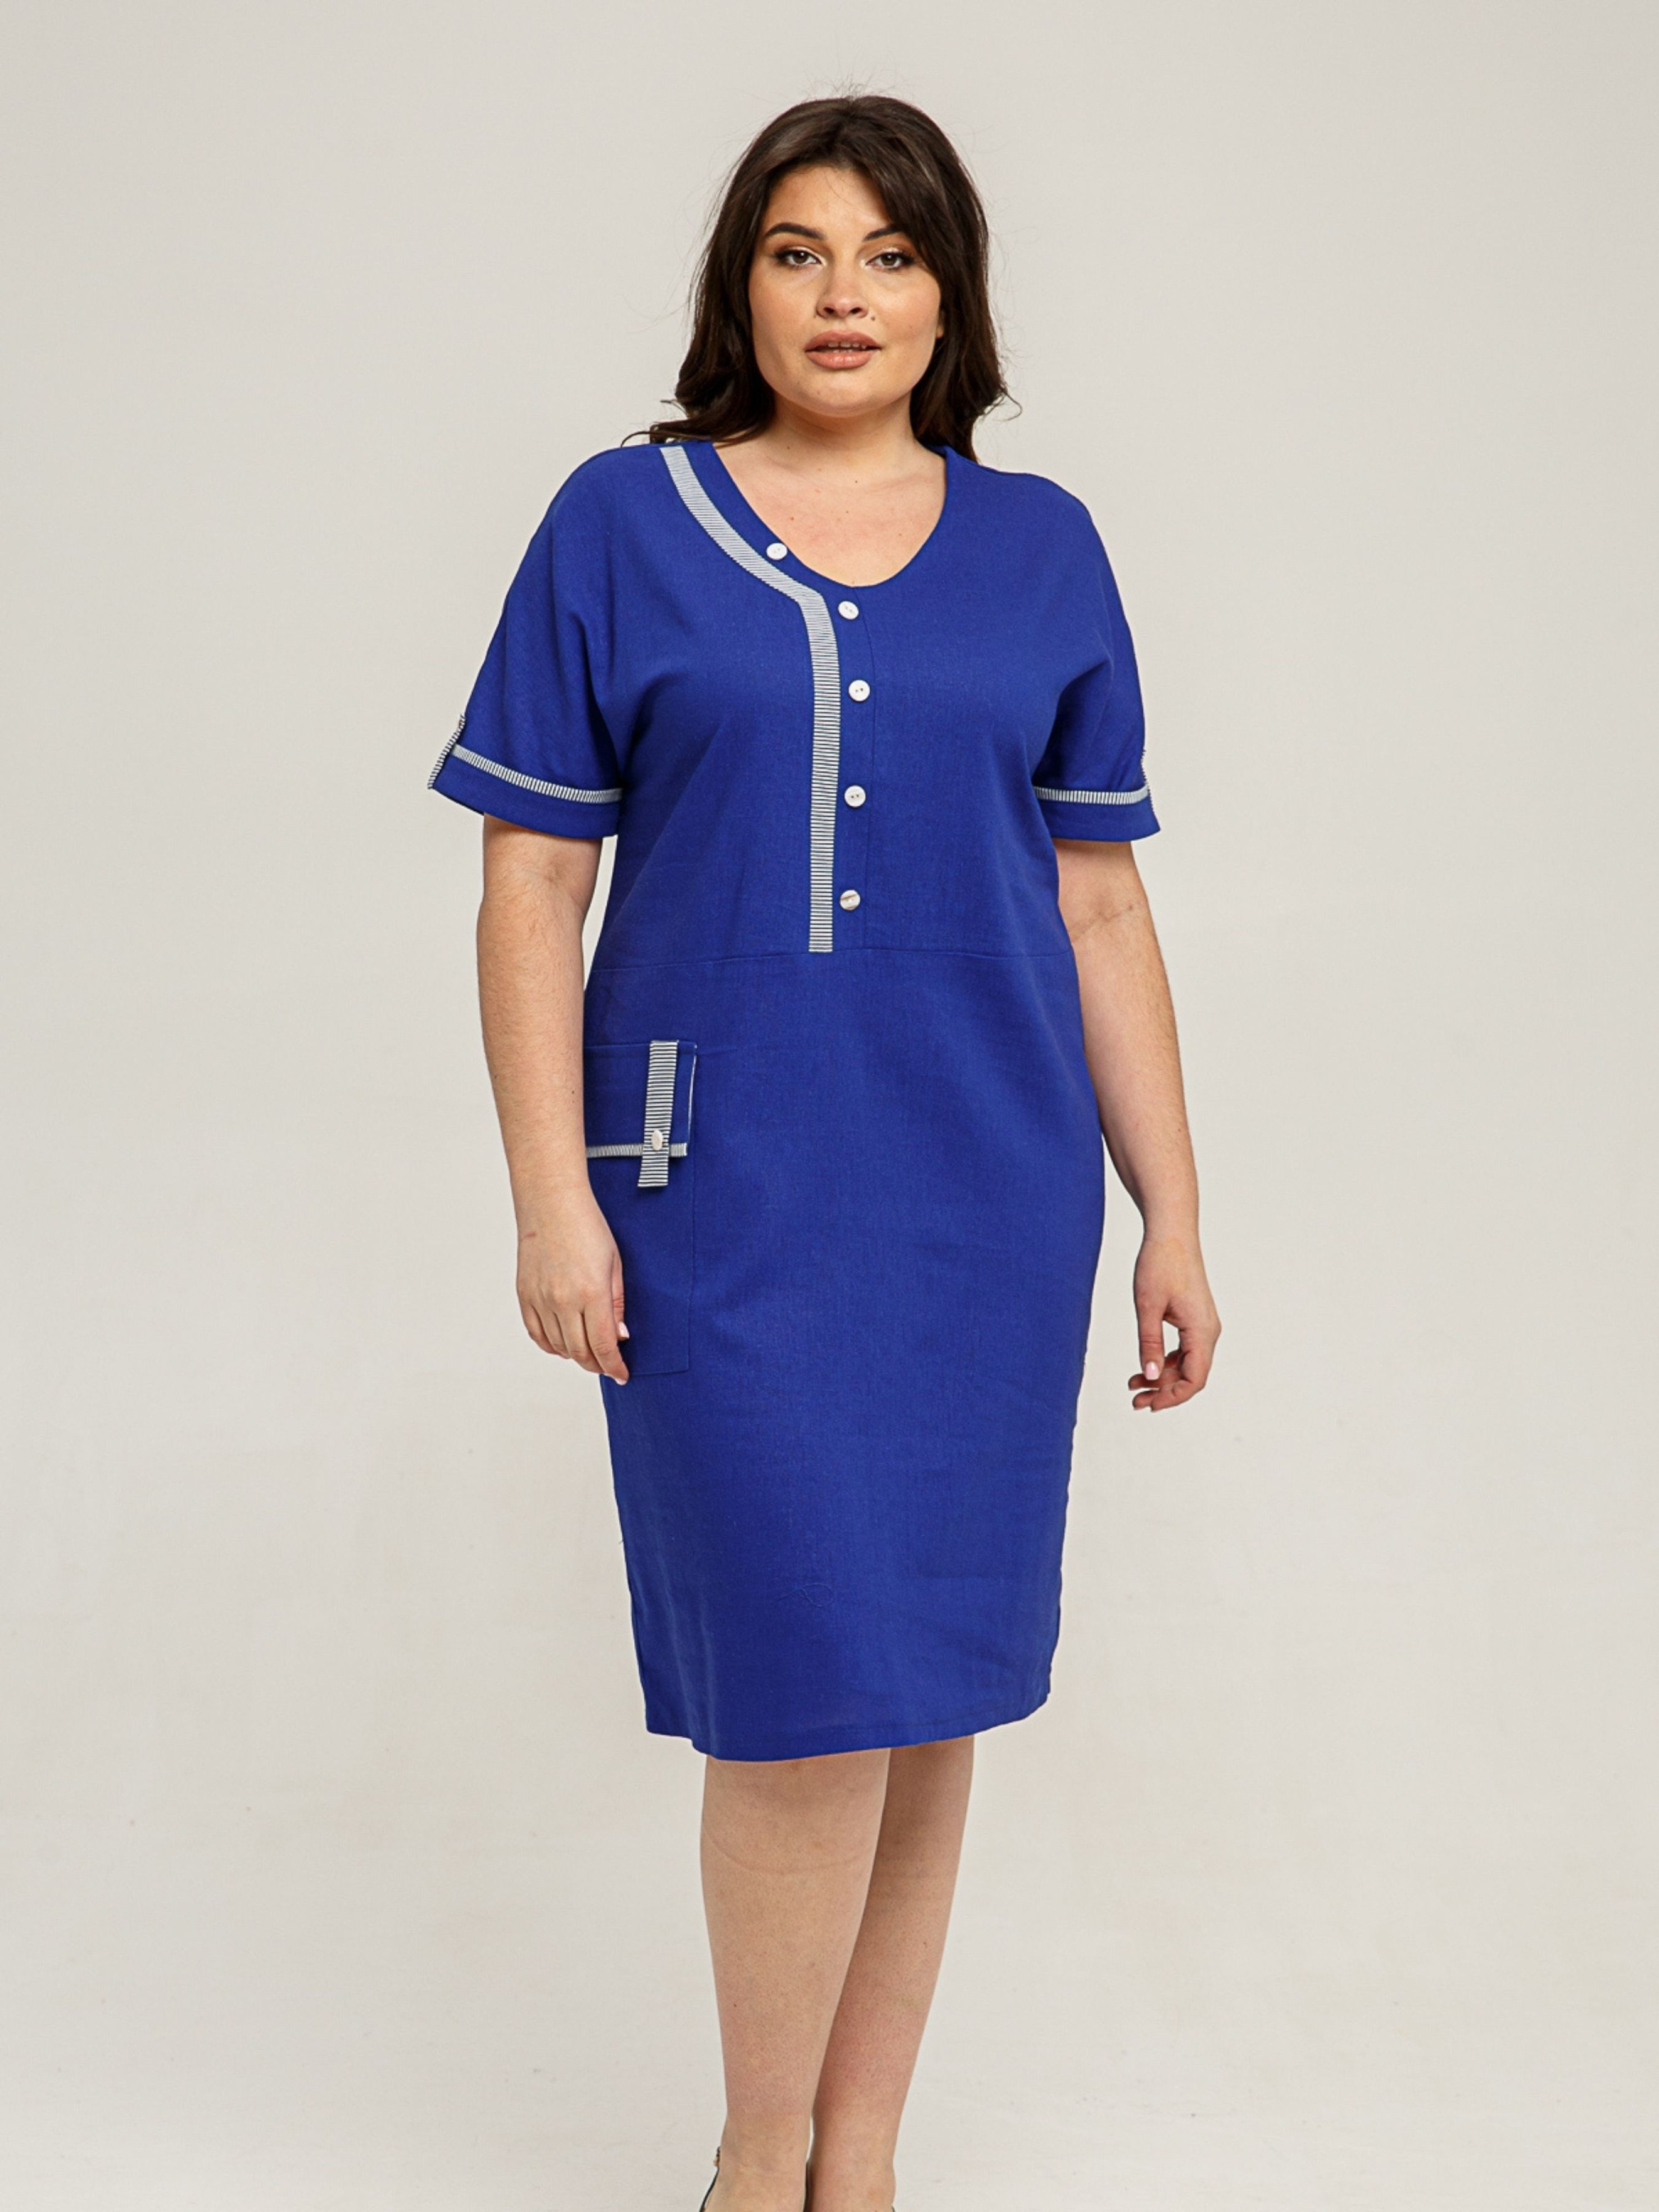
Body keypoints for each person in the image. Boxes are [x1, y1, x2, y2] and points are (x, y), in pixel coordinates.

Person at [428, 92, 1220, 2212]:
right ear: (740, 286)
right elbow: (529, 885)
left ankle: (856, 2163)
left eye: (887, 253)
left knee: (928, 1675)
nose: (842, 295)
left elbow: (1100, 907)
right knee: (797, 1683)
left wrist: (1171, 1208)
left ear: (952, 294)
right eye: (797, 251)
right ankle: (754, 2153)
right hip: (717, 1197)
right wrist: (551, 1196)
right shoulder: (622, 521)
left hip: (989, 1197)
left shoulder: (1042, 547)